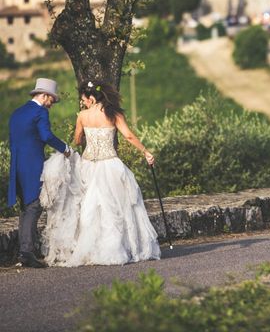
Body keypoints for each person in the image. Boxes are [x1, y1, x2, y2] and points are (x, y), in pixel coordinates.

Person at [42, 80, 160, 266]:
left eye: (84, 100)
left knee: (90, 209)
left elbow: (77, 139)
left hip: (88, 165)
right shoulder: (114, 113)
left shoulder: (82, 116)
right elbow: (128, 135)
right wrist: (145, 151)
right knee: (116, 207)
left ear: (91, 98)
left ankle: (92, 249)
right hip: (110, 165)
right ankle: (115, 249)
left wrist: (84, 137)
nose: (83, 104)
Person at [8, 78, 71, 268]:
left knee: (26, 207)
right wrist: (65, 148)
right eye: (52, 100)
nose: (51, 105)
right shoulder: (40, 112)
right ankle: (27, 253)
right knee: (35, 205)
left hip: (16, 166)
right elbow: (46, 136)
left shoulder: (17, 113)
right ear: (44, 96)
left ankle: (25, 251)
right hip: (32, 166)